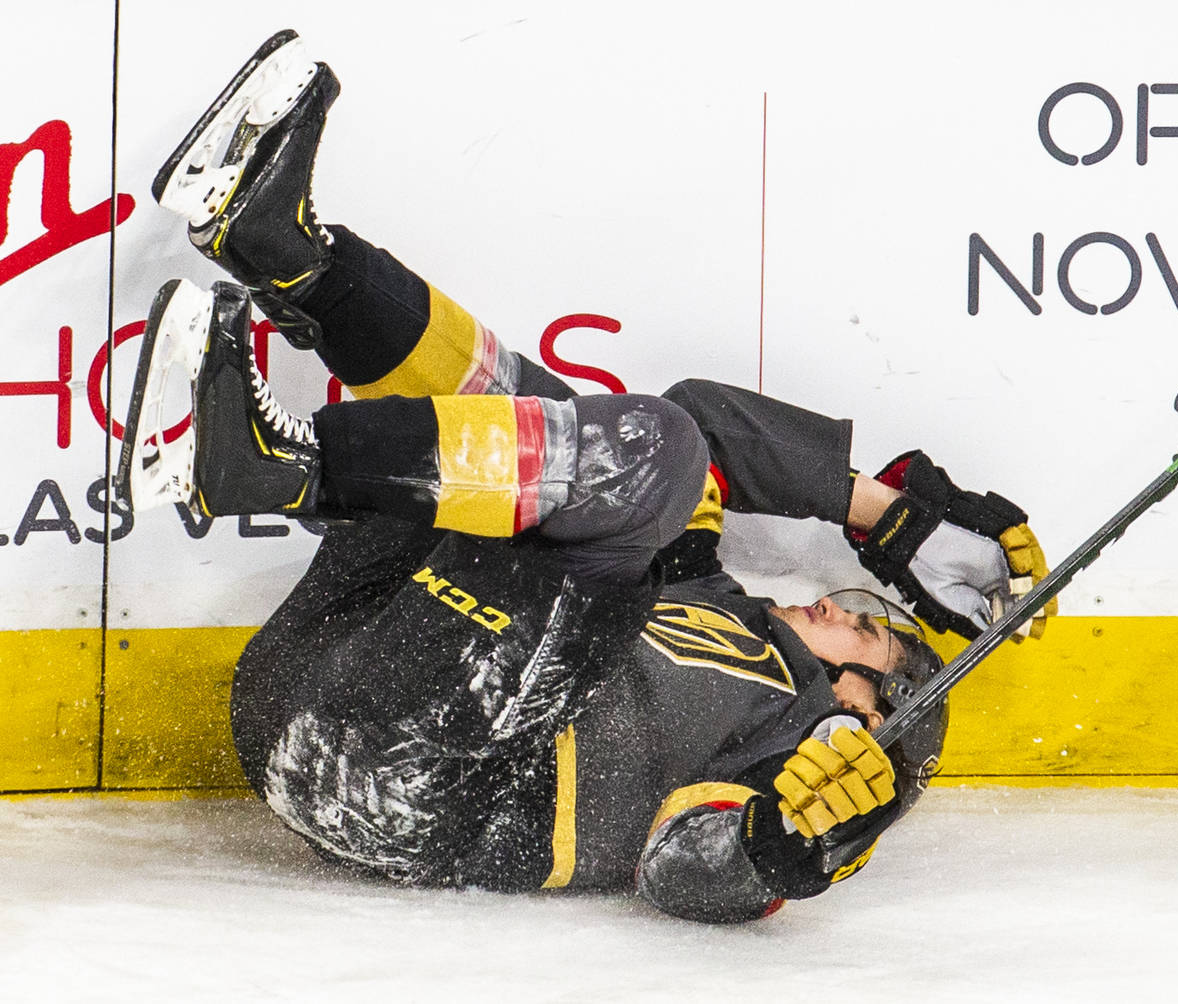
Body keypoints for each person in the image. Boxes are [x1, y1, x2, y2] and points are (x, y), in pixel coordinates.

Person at [121, 30, 1053, 923]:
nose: (847, 612)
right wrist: (897, 522)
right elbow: (700, 421)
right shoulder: (710, 591)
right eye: (865, 610)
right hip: (318, 675)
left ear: (869, 703)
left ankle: (279, 474)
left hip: (415, 778)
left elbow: (686, 869)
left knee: (642, 460)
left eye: (869, 639)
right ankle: (286, 253)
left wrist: (787, 846)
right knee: (572, 440)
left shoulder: (800, 735)